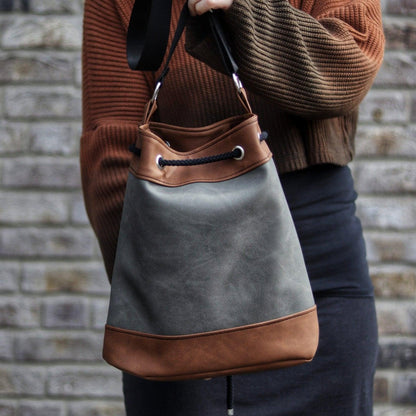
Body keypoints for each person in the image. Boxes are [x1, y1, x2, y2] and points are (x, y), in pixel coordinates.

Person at [80, 0, 385, 414]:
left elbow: (348, 69)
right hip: (180, 267)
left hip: (315, 263)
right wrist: (159, 304)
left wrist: (244, 12)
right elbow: (114, 149)